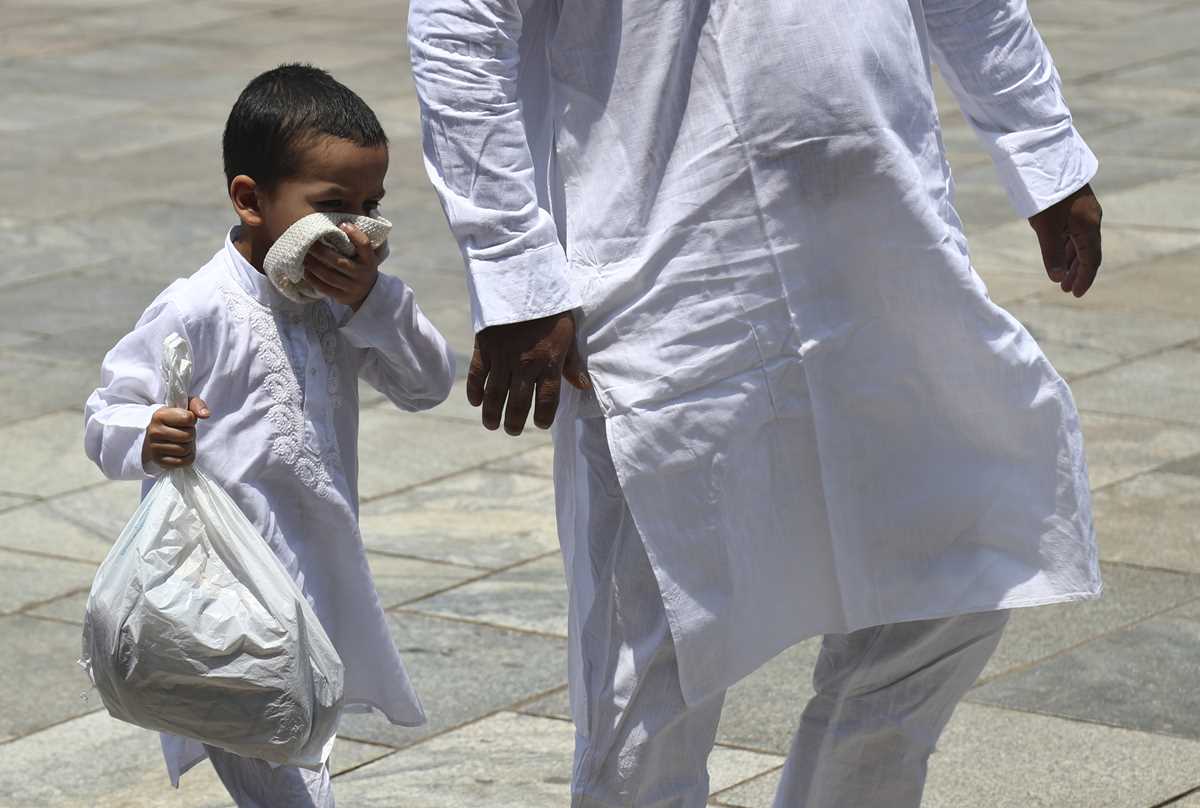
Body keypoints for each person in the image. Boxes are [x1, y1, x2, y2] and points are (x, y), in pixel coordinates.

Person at [408, 1, 1104, 806]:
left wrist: (1044, 148)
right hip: (667, 272)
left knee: (959, 563)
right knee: (654, 659)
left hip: (883, 242)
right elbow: (461, 22)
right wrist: (513, 265)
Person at [84, 63, 455, 807]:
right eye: (332, 205)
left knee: (300, 753)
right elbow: (107, 410)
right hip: (225, 594)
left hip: (317, 577)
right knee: (283, 773)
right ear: (251, 200)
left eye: (370, 207)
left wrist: (375, 303)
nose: (356, 229)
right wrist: (148, 432)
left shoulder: (340, 301)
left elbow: (426, 383)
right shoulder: (199, 306)